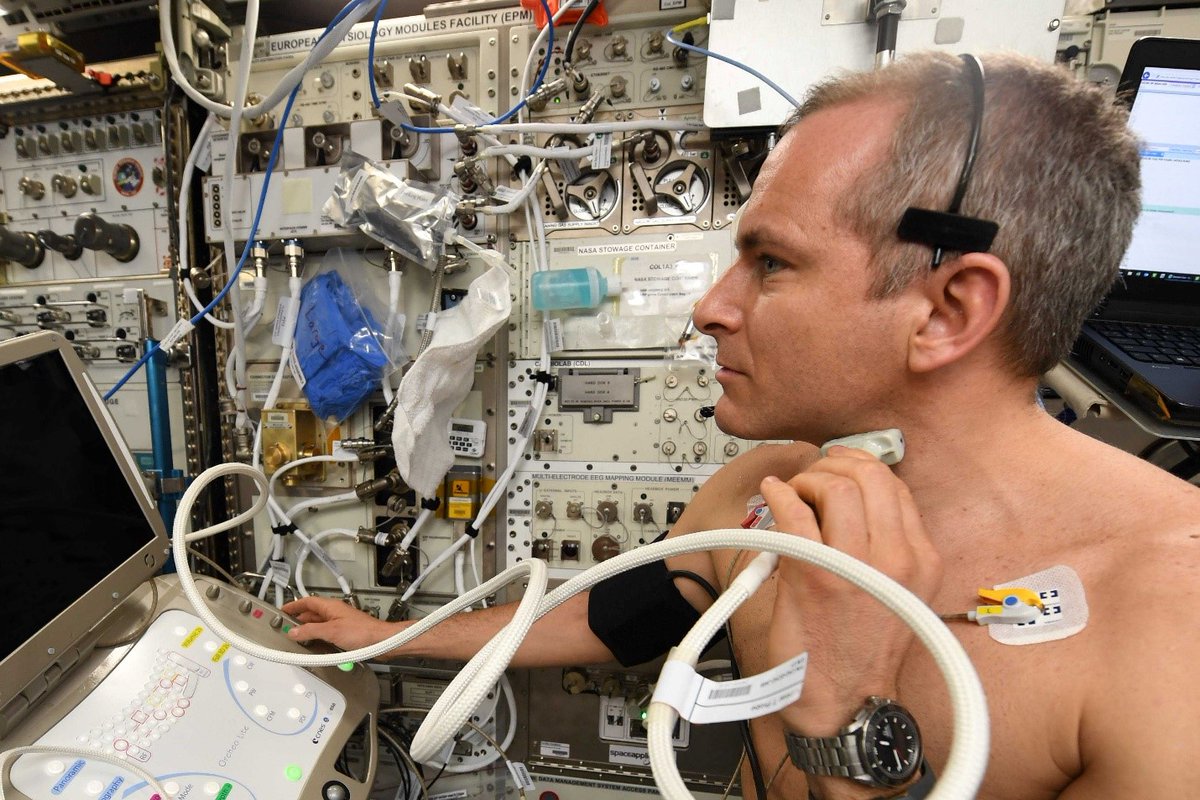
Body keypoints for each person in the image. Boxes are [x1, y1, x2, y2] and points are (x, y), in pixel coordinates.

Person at [285, 51, 1200, 799]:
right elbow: (604, 623)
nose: (711, 308)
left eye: (769, 262)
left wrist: (850, 724)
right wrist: (389, 636)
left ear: (949, 309)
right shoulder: (763, 494)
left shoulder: (1166, 639)